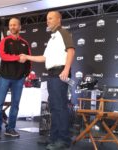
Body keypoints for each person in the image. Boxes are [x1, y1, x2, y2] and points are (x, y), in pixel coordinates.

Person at [22, 11, 75, 150]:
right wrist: (27, 57)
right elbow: (44, 58)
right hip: (52, 75)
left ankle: (63, 140)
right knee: (54, 108)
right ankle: (54, 137)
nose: (48, 21)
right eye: (47, 19)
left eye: (51, 18)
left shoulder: (63, 32)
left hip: (60, 73)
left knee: (60, 108)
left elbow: (71, 51)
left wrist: (66, 69)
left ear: (59, 19)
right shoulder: (52, 38)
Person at [0, 17, 31, 139]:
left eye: (15, 25)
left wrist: (27, 73)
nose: (12, 27)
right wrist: (17, 57)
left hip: (19, 79)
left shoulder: (25, 43)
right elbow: (3, 56)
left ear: (19, 27)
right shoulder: (5, 41)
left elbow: (29, 60)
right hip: (4, 77)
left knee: (15, 105)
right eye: (10, 25)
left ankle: (10, 129)